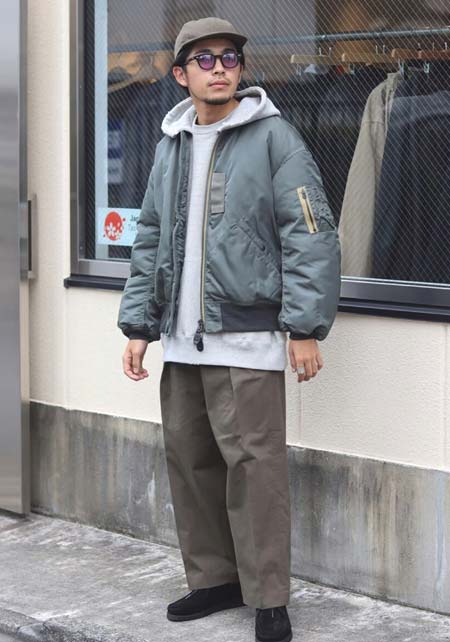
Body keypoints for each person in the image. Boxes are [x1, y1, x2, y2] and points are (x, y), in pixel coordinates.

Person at [118, 17, 341, 642]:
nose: (219, 68)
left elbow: (310, 232)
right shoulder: (170, 145)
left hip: (247, 337)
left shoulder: (274, 137)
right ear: (180, 74)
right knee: (191, 465)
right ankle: (213, 579)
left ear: (241, 69)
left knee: (255, 469)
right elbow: (150, 238)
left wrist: (304, 326)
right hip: (180, 339)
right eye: (205, 59)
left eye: (229, 58)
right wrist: (138, 324)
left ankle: (269, 598)